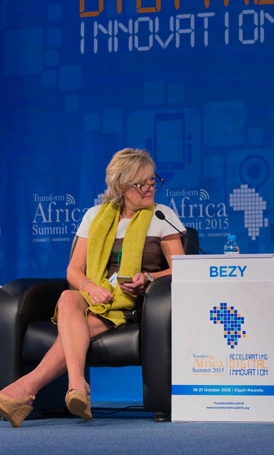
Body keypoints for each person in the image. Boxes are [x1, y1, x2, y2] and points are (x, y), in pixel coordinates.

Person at [0, 148, 185, 427]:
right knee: (68, 296)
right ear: (122, 187)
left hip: (134, 305)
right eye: (141, 183)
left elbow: (182, 268)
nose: (150, 188)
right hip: (95, 296)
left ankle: (25, 389)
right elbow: (73, 270)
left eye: (152, 180)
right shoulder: (94, 216)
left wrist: (148, 278)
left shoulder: (162, 216)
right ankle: (77, 383)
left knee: (78, 326)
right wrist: (90, 287)